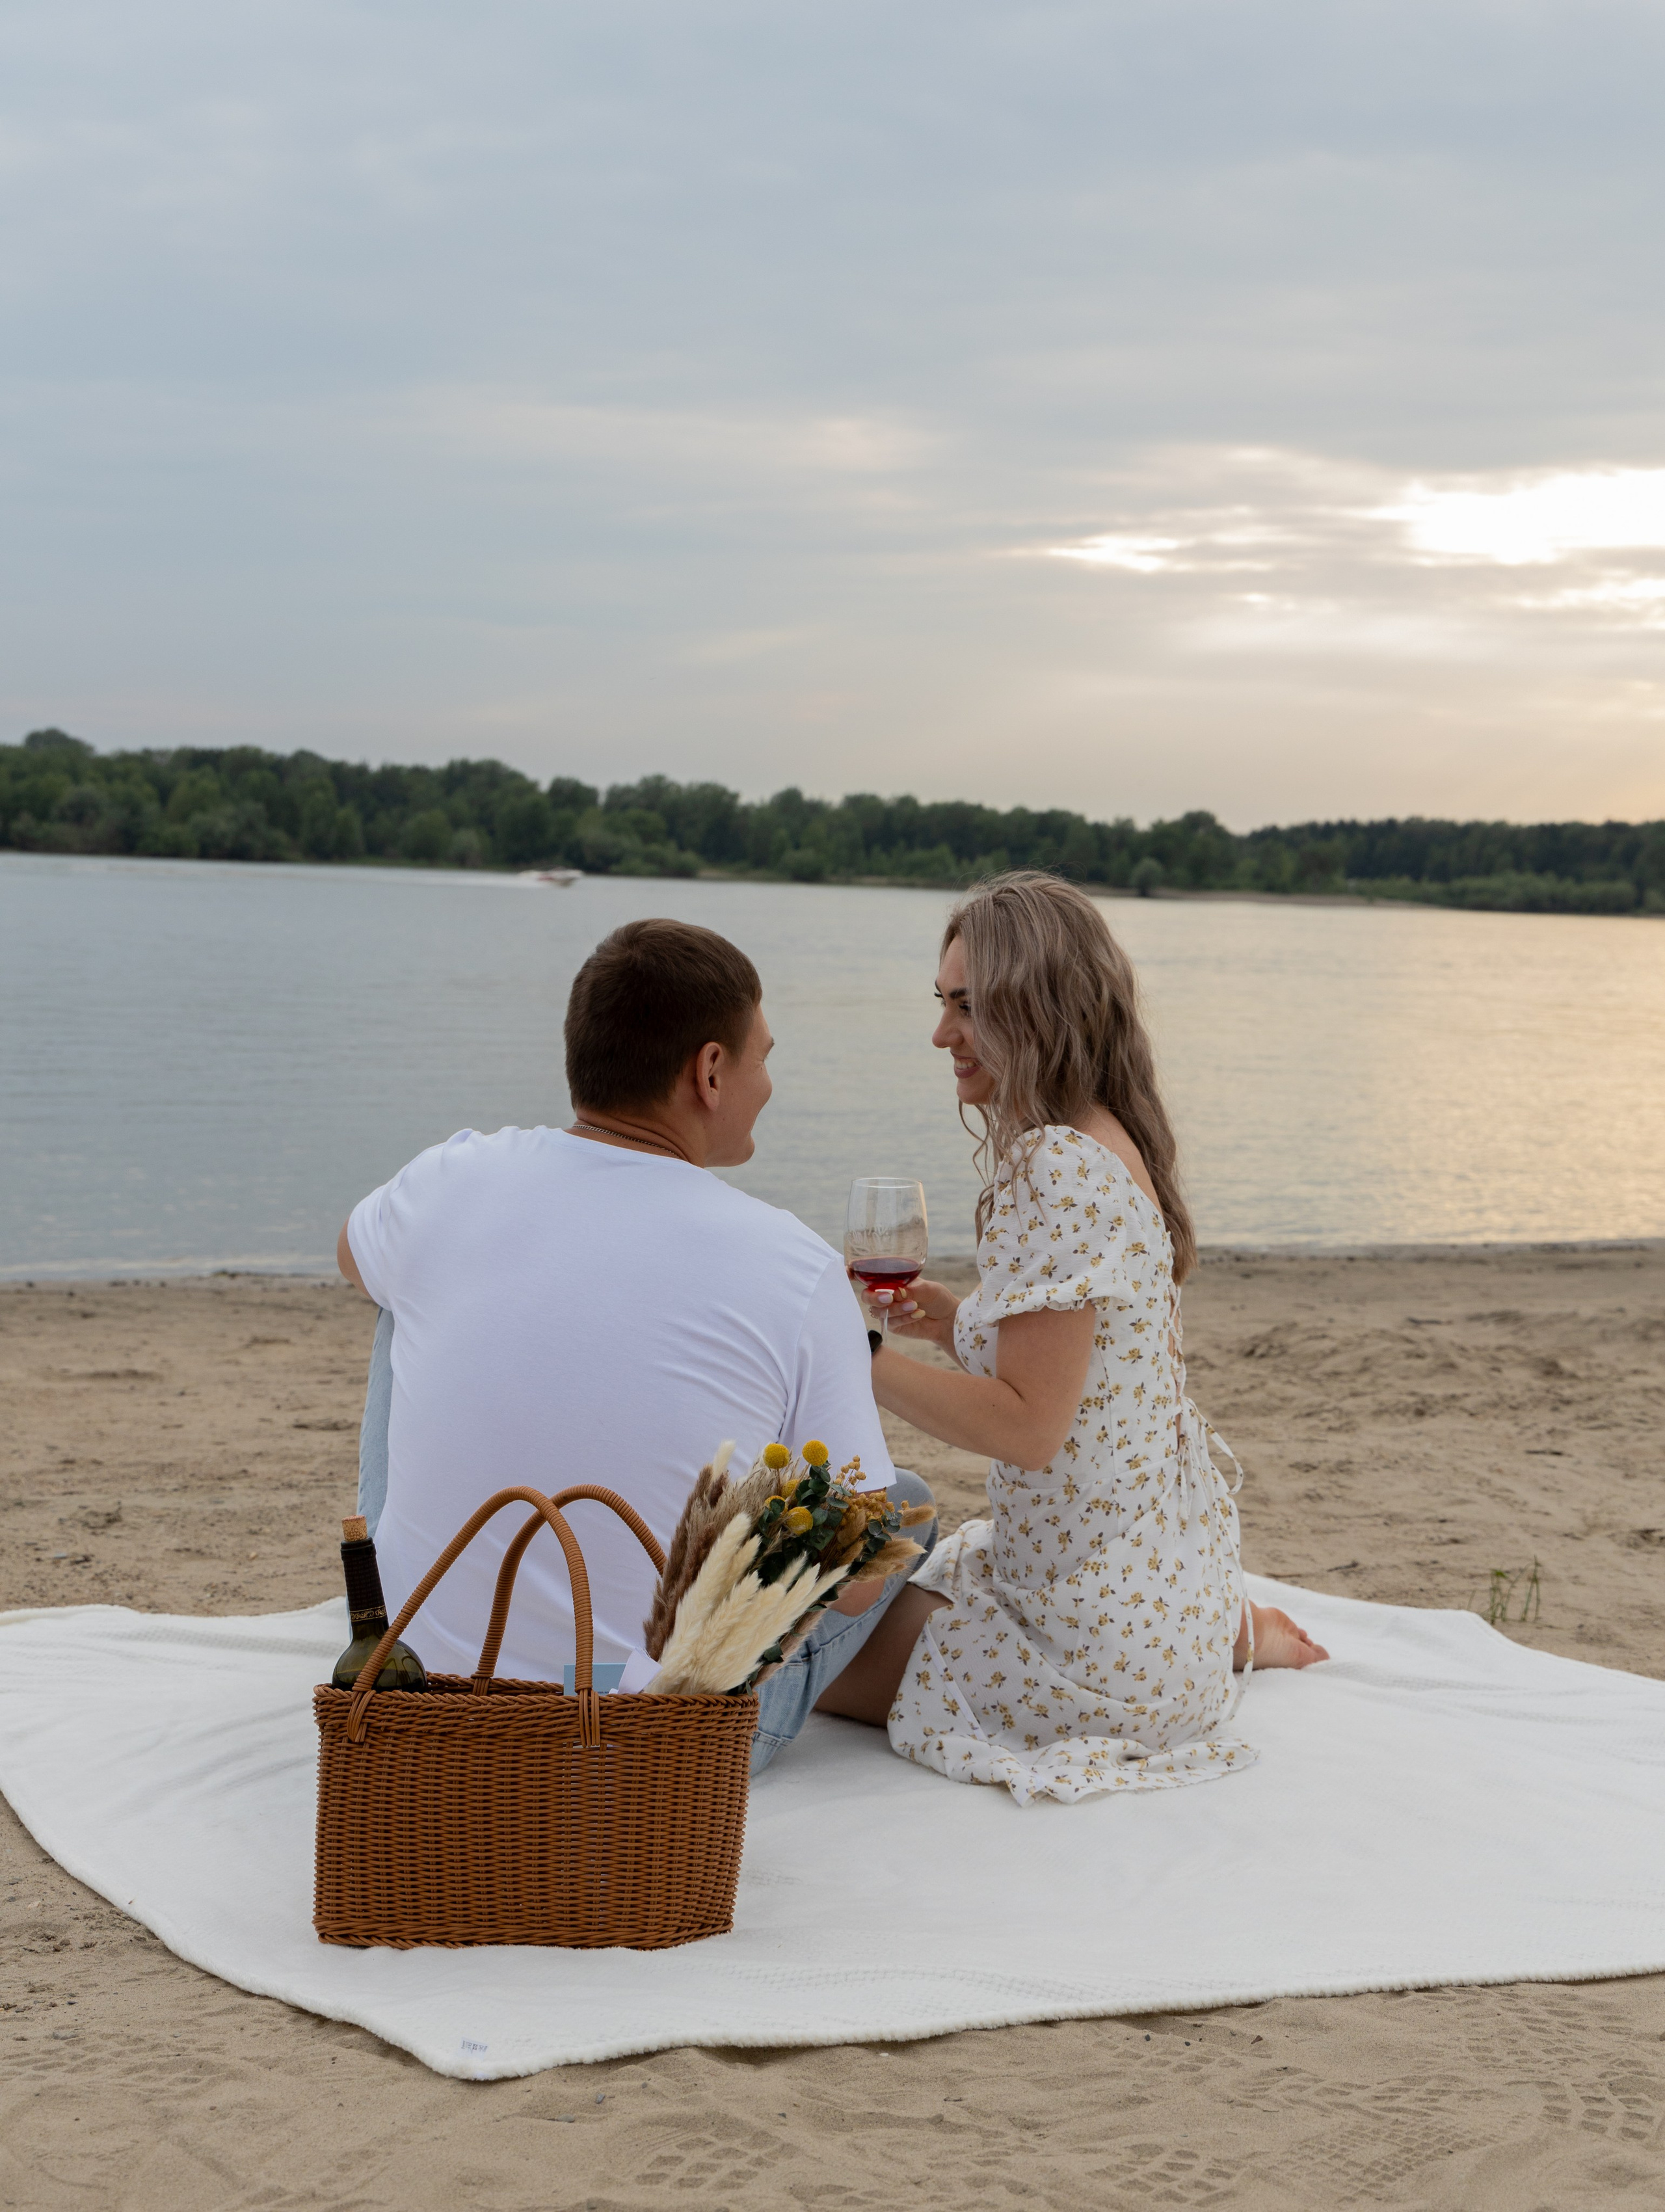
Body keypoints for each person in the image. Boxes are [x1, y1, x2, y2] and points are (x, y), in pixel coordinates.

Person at [338, 917, 936, 1774]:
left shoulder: (451, 1176)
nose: (769, 1083)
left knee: (397, 1291)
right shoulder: (792, 1264)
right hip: (648, 1743)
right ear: (711, 1070)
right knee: (899, 1501)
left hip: (424, 1701)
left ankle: (394, 1609)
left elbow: (349, 1252)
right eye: (763, 1056)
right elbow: (865, 1584)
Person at [818, 871, 1325, 1805]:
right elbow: (1095, 1377)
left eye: (968, 1007)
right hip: (1148, 1597)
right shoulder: (1107, 1136)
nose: (942, 1033)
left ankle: (1217, 1640)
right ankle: (1229, 1631)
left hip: (1092, 1644)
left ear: (1035, 1006)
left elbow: (1030, 1427)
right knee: (916, 1578)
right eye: (942, 1002)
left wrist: (862, 1358)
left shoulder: (1049, 1164)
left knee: (809, 1652)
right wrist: (955, 1319)